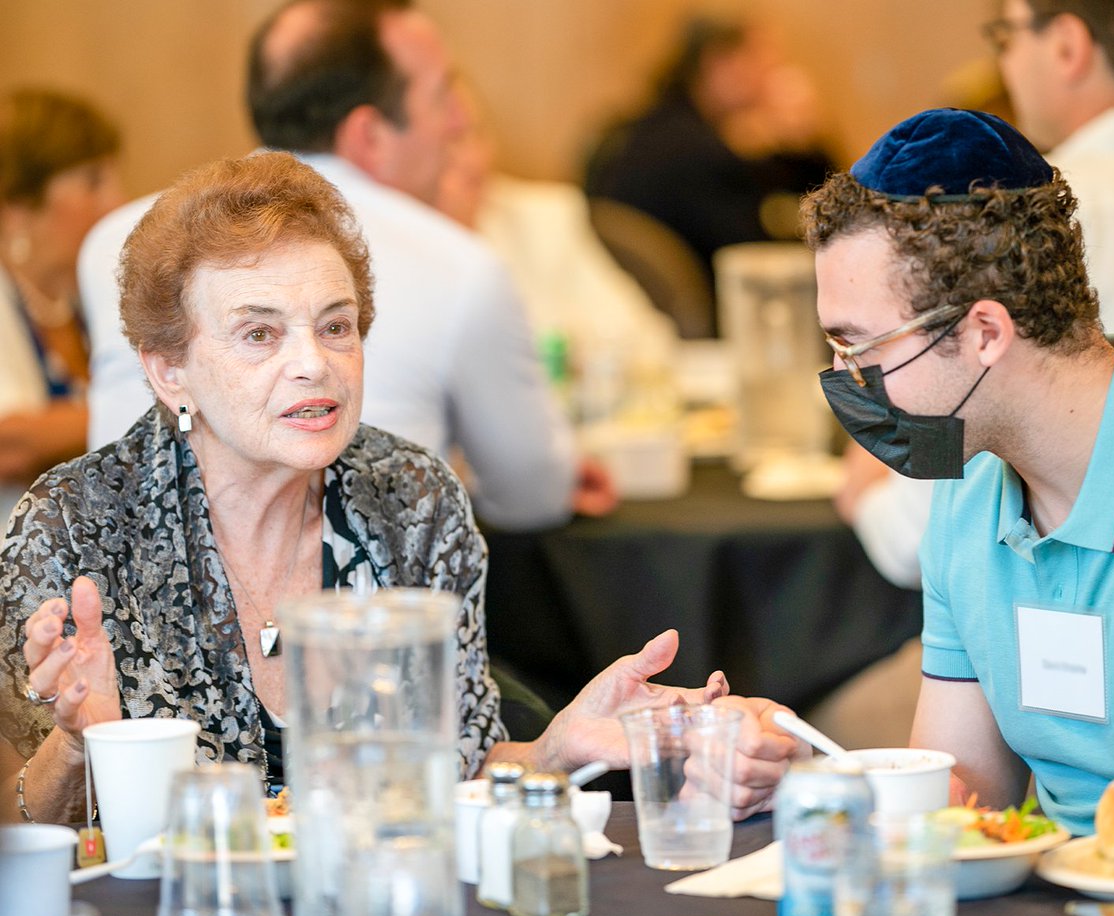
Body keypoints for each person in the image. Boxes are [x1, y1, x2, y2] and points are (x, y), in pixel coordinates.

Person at [0, 152, 799, 826]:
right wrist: (74, 746)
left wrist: (555, 747)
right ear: (168, 368)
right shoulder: (73, 530)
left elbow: (459, 774)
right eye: (259, 333)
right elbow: (27, 828)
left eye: (336, 325)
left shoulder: (412, 499)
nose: (314, 361)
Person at [800, 107, 1114, 837]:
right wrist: (802, 772)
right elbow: (965, 795)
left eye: (859, 347)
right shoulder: (964, 488)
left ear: (985, 333)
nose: (842, 377)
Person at [80, 0, 615, 531]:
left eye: (336, 327)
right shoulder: (458, 264)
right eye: (440, 97)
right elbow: (531, 496)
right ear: (369, 135)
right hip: (372, 592)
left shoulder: (112, 239)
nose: (456, 122)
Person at [836, 0, 1114, 589]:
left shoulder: (1030, 220)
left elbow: (919, 536)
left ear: (1066, 45)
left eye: (1004, 36)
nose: (1003, 61)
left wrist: (868, 486)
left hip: (1074, 593)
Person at [435, 79, 678, 425]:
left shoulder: (542, 218)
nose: (473, 158)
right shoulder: (368, 247)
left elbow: (649, 342)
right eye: (449, 141)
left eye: (475, 133)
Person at [584, 14, 835, 307]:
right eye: (762, 61)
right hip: (696, 323)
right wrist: (809, 144)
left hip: (627, 310)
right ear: (721, 64)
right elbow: (769, 257)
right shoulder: (697, 153)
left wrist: (798, 146)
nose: (774, 74)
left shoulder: (637, 132)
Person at [0, 89, 123, 529]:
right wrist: (141, 406)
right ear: (19, 207)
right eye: (93, 181)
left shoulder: (85, 298)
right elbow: (9, 444)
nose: (115, 202)